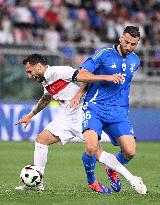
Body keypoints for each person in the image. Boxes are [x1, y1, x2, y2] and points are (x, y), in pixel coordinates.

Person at [15, 53, 147, 194]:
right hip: (67, 117)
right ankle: (38, 182)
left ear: (39, 66)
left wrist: (107, 77)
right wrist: (30, 115)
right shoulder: (45, 80)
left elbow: (84, 75)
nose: (29, 75)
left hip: (81, 114)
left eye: (30, 71)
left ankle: (132, 179)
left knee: (98, 153)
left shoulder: (59, 71)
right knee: (41, 140)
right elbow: (47, 98)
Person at [72, 26, 147, 194]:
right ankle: (92, 181)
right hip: (95, 106)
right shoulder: (103, 53)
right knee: (91, 148)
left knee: (130, 152)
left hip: (118, 112)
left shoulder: (135, 61)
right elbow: (81, 75)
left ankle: (112, 168)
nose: (128, 47)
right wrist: (81, 92)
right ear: (120, 38)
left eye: (133, 44)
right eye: (126, 42)